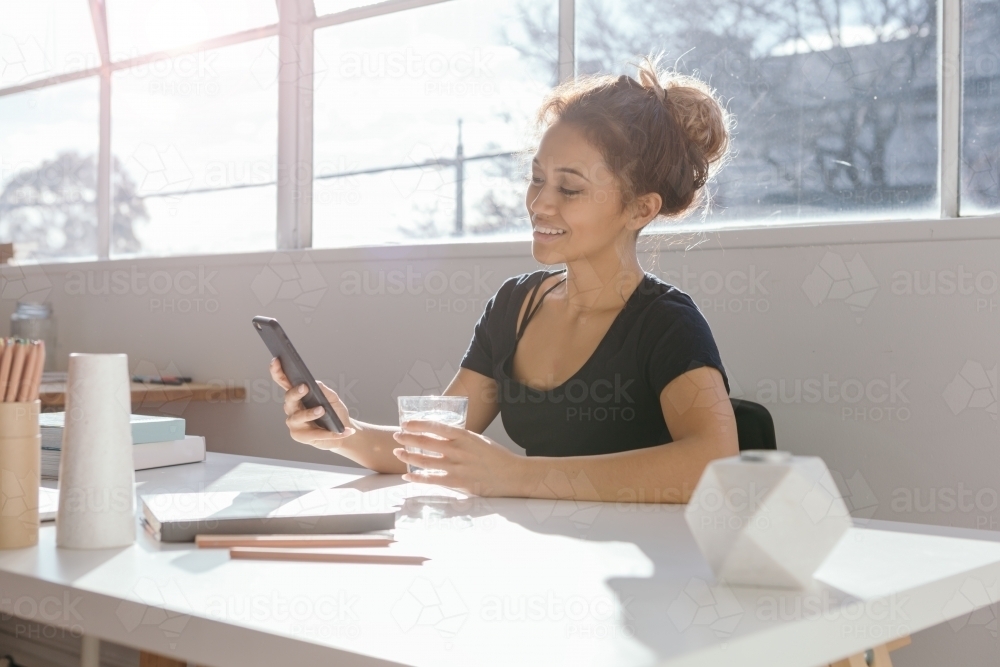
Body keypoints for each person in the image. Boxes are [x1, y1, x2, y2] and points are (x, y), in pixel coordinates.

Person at [270, 55, 739, 503]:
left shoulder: (666, 324)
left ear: (641, 208)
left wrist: (515, 474)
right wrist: (342, 433)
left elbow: (715, 463)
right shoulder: (515, 306)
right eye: (537, 179)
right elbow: (436, 444)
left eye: (569, 188)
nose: (539, 204)